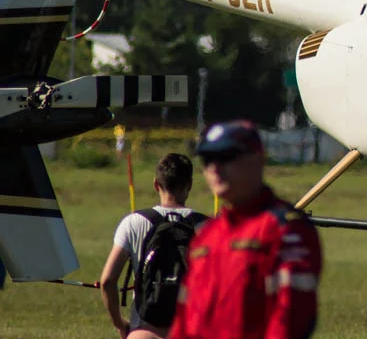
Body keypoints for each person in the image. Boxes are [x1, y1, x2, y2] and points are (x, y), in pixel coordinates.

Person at [167, 120, 323, 339]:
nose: (215, 168)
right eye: (208, 159)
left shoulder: (285, 228)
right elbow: (184, 318)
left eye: (226, 157)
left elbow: (292, 315)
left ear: (258, 160)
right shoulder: (207, 234)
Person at [100, 153, 206, 339]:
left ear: (156, 184)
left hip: (145, 328)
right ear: (189, 185)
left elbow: (108, 280)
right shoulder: (209, 227)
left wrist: (119, 323)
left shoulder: (133, 222)